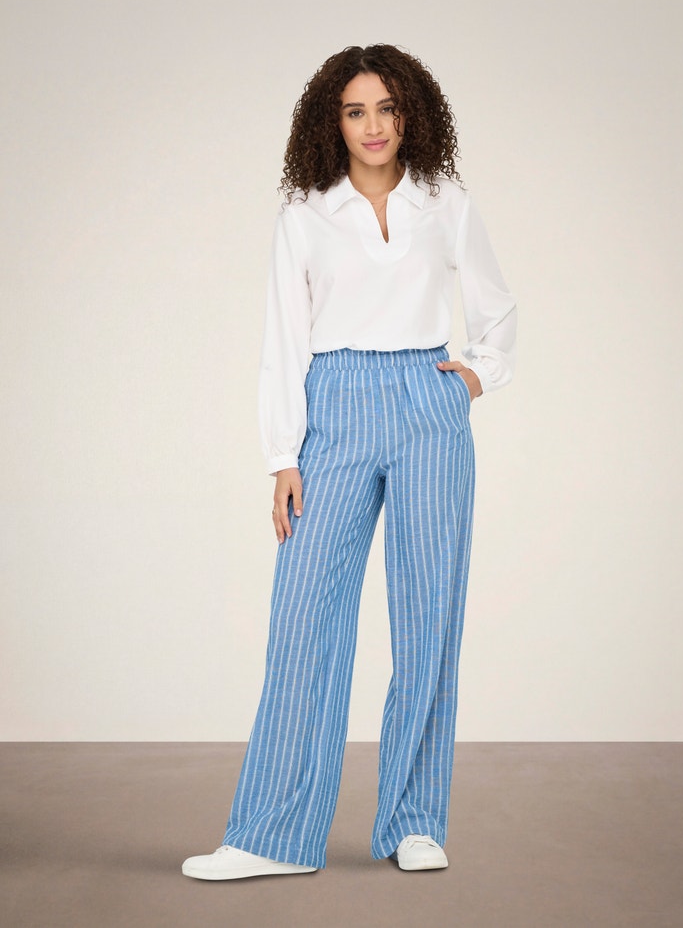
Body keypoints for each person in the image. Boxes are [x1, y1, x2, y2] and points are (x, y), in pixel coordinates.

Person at [182, 43, 516, 880]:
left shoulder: (444, 201)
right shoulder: (305, 214)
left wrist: (471, 378)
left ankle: (414, 820)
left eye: (387, 108)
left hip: (427, 402)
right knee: (304, 616)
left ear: (411, 115)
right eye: (356, 110)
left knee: (429, 615)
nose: (373, 126)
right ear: (331, 122)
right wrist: (282, 453)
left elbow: (497, 307)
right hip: (334, 404)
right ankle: (273, 834)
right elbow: (283, 340)